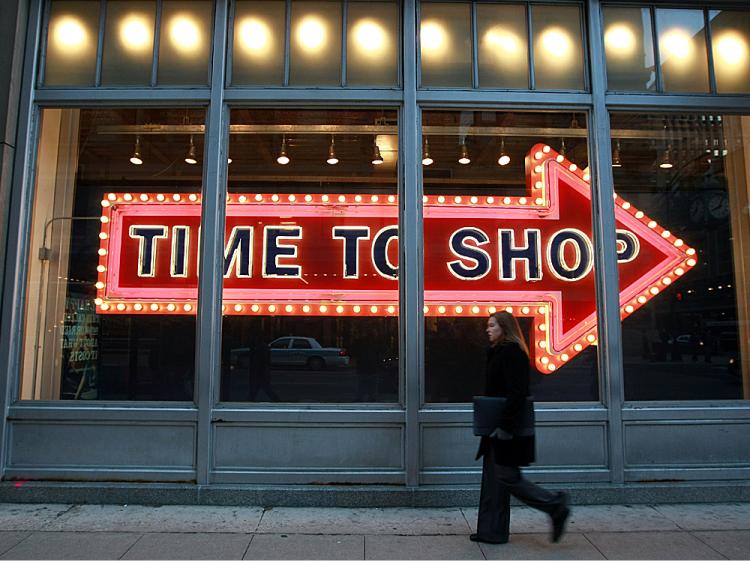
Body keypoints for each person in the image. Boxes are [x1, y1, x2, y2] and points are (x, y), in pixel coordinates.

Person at [472, 311, 570, 545]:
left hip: (507, 427)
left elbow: (517, 393)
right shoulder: (499, 352)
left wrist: (505, 425)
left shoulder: (512, 353)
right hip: (498, 426)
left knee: (506, 476)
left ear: (504, 328)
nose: (488, 329)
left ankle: (555, 505)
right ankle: (491, 531)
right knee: (495, 478)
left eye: (492, 325)